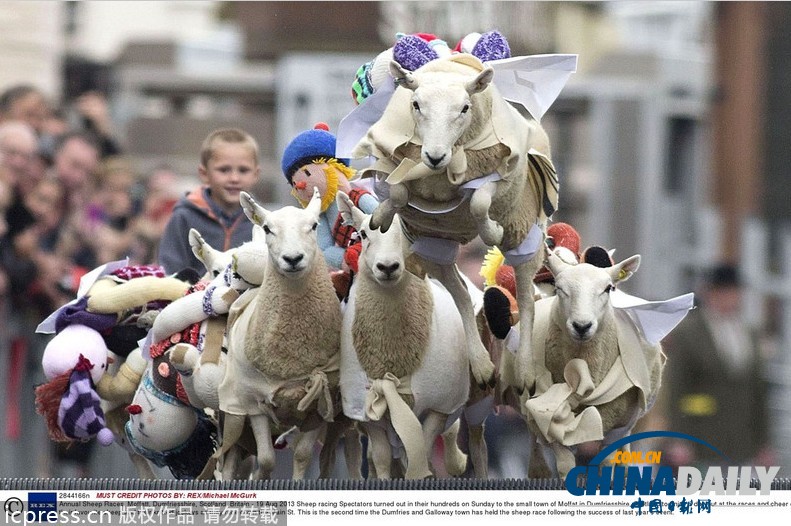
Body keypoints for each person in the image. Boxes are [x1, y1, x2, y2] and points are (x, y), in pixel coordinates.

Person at [663, 264, 770, 467]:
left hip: (742, 443)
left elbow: (758, 392)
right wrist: (678, 439)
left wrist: (764, 443)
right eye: (723, 291)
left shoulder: (749, 333)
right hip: (702, 440)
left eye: (734, 291)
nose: (730, 297)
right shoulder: (689, 333)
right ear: (710, 293)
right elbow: (677, 388)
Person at [158, 128, 261, 275]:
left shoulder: (262, 223)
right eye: (224, 170)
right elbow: (170, 272)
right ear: (204, 174)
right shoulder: (184, 218)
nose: (234, 178)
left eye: (243, 170)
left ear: (256, 174)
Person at [280, 123, 378, 272]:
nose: (299, 185)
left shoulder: (358, 197)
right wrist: (343, 259)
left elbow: (380, 215)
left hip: (378, 249)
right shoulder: (322, 217)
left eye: (307, 174)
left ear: (335, 167)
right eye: (294, 183)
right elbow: (323, 249)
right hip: (352, 264)